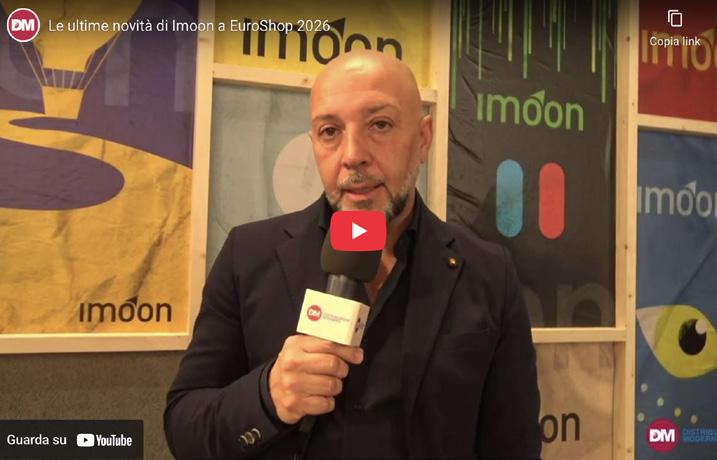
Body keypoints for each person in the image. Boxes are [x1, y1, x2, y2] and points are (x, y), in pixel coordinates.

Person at [164, 50, 541, 459]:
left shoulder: (488, 273)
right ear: (314, 143)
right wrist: (268, 396)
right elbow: (185, 428)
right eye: (330, 131)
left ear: (423, 138)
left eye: (380, 124)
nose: (352, 154)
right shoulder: (247, 256)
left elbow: (514, 446)